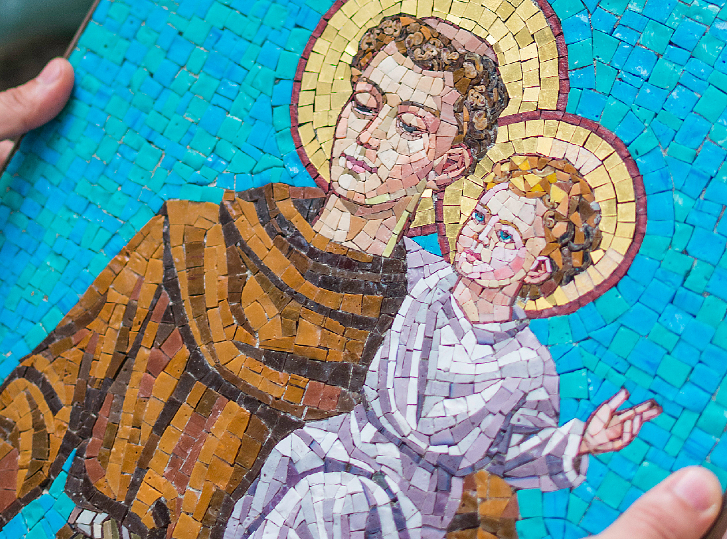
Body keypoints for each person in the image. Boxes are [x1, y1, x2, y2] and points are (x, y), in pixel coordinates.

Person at [0, 59, 720, 539]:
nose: (367, 135)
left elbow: (468, 488)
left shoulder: (436, 324)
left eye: (409, 124)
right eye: (364, 103)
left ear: (452, 163)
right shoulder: (197, 239)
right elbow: (58, 384)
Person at [222, 155, 663, 539]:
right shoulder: (422, 278)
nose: (481, 237)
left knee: (324, 501)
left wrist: (583, 442)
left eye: (505, 236)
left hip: (409, 492)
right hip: (347, 439)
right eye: (480, 217)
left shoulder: (526, 365)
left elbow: (515, 453)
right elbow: (369, 239)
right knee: (289, 454)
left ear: (536, 268)